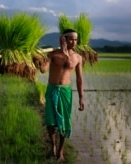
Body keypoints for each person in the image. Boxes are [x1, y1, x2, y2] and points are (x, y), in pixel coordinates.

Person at [40, 29, 85, 161]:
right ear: (63, 39)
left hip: (65, 92)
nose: (74, 42)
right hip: (52, 90)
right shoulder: (53, 54)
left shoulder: (77, 57)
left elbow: (79, 79)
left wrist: (81, 97)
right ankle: (52, 146)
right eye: (71, 39)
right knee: (50, 122)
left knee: (64, 122)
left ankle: (60, 151)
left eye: (76, 39)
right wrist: (40, 60)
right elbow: (43, 70)